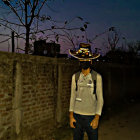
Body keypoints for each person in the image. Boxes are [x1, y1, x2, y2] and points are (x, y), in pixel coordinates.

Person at [69, 43, 104, 140]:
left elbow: (100, 99)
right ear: (79, 61)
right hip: (77, 117)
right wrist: (71, 116)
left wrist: (97, 118)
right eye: (81, 59)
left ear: (91, 61)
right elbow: (72, 97)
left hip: (91, 116)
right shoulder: (75, 77)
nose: (84, 61)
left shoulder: (97, 77)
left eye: (86, 59)